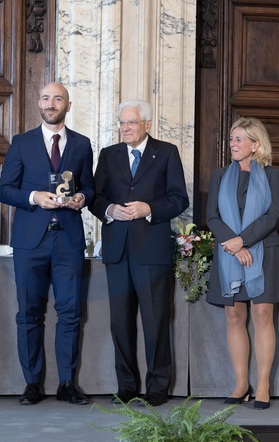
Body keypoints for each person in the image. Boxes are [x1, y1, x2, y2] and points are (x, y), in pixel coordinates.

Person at [0, 82, 95, 405]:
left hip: (68, 240)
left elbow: (90, 188)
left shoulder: (82, 144)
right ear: (38, 103)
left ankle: (67, 382)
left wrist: (82, 198)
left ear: (68, 105)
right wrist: (34, 197)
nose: (51, 103)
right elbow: (4, 190)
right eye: (45, 98)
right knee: (28, 313)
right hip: (30, 242)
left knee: (70, 313)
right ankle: (32, 384)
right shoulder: (21, 143)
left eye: (57, 98)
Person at [90, 99, 189, 407]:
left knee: (156, 321)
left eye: (131, 122)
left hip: (152, 250)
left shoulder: (167, 152)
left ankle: (158, 387)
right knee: (120, 322)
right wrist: (109, 210)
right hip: (117, 250)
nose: (125, 128)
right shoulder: (109, 155)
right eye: (122, 123)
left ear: (147, 124)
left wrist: (150, 209)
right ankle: (126, 386)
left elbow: (179, 199)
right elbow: (95, 197)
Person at [205, 117, 279, 410]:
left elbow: (273, 215)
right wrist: (235, 245)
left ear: (256, 145)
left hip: (264, 250)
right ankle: (241, 384)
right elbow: (212, 216)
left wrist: (243, 240)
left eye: (239, 139)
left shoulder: (271, 175)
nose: (233, 144)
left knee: (263, 315)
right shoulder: (219, 175)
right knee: (234, 317)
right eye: (232, 139)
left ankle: (263, 384)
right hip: (229, 253)